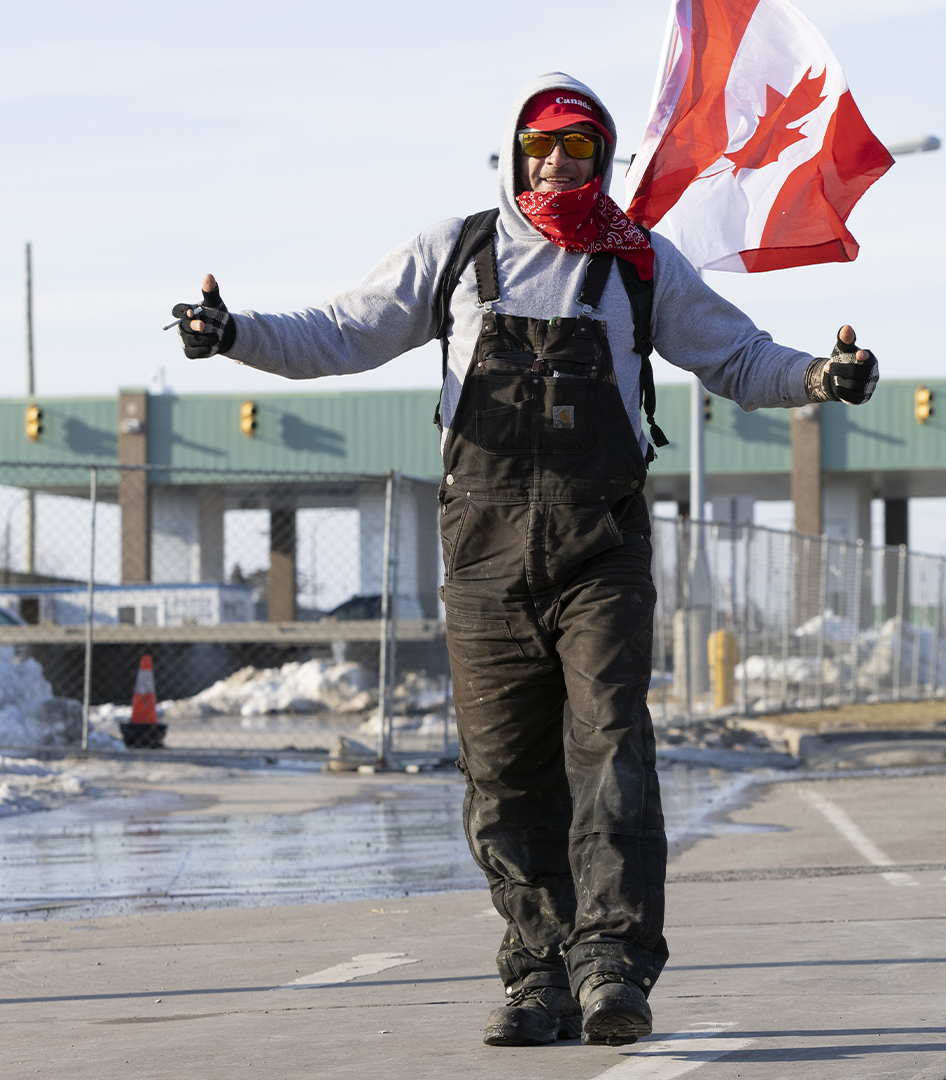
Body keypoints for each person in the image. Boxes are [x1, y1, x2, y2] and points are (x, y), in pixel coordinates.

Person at [170, 73, 879, 1047]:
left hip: (602, 550)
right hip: (485, 556)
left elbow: (739, 356)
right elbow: (339, 333)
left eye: (579, 148)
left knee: (611, 752)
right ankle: (538, 973)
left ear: (602, 156)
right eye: (542, 146)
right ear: (514, 152)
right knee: (503, 777)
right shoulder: (458, 253)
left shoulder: (640, 266)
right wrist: (234, 333)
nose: (557, 162)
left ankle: (613, 972)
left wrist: (820, 376)